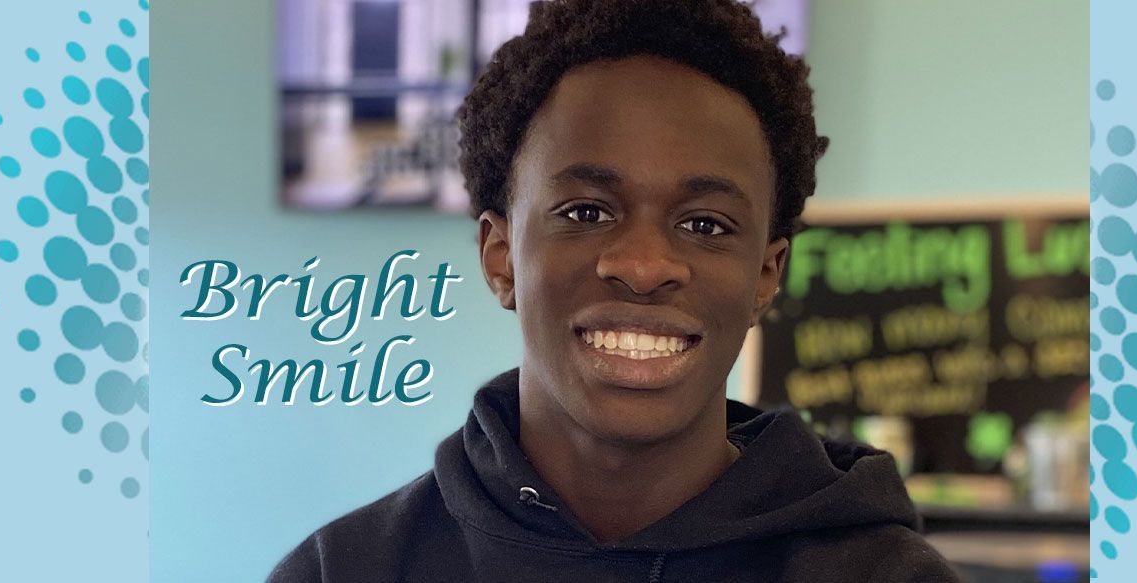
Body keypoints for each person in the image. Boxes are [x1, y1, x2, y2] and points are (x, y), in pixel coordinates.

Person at [268, 0, 958, 580]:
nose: (644, 265)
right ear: (501, 257)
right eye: (586, 212)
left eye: (705, 224)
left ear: (765, 277)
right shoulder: (345, 569)